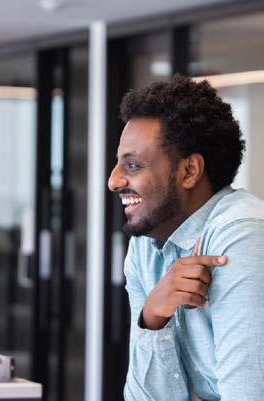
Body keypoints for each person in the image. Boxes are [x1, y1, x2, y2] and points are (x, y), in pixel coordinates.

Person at [108, 75, 264, 401]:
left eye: (133, 165)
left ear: (189, 171)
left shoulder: (243, 235)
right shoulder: (145, 245)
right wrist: (153, 315)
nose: (113, 181)